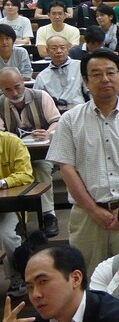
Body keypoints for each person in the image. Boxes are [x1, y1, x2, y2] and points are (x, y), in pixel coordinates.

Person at [46, 49, 119, 274]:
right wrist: (93, 210)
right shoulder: (70, 120)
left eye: (111, 72)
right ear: (85, 81)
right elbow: (66, 168)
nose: (105, 79)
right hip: (86, 216)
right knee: (88, 279)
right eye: (96, 74)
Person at [0, 67, 60, 237]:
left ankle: (49, 215)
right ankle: (17, 218)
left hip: (43, 152)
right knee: (11, 171)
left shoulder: (41, 96)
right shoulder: (0, 103)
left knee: (40, 167)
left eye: (17, 86)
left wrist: (48, 132)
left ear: (24, 82)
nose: (14, 92)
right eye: (8, 89)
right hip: (14, 155)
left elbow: (57, 122)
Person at [0, 130, 34, 296]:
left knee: (5, 235)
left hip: (10, 206)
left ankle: (18, 278)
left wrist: (4, 182)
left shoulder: (11, 142)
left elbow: (26, 175)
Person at [32, 36, 85, 111]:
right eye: (54, 48)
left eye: (62, 47)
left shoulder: (80, 66)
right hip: (55, 113)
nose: (59, 51)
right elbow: (36, 100)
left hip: (79, 110)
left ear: (68, 48)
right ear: (47, 50)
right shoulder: (42, 76)